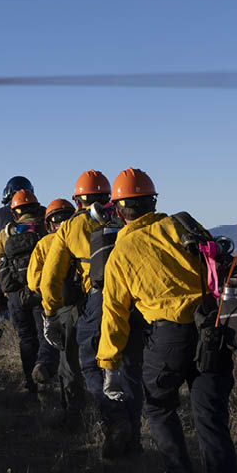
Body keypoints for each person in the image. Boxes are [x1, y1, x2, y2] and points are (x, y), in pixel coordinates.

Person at [97, 167, 237, 473]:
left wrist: (109, 367)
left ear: (118, 210)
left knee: (160, 409)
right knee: (211, 420)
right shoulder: (183, 226)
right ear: (153, 201)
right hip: (212, 329)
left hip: (168, 340)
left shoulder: (121, 252)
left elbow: (114, 314)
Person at [39, 171, 144, 458]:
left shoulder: (70, 227)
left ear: (78, 199)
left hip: (98, 301)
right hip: (135, 300)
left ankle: (114, 421)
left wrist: (50, 314)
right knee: (131, 368)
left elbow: (50, 279)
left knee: (91, 366)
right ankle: (134, 443)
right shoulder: (123, 216)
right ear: (109, 196)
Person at [0, 189, 59, 394]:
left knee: (26, 339)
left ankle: (31, 385)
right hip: (40, 292)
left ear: (14, 212)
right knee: (45, 335)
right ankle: (46, 376)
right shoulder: (44, 230)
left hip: (15, 295)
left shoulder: (6, 233)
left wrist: (4, 286)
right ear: (36, 208)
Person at [27, 198, 85, 420]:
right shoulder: (80, 237)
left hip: (59, 308)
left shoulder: (44, 244)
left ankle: (73, 412)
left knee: (67, 361)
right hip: (88, 304)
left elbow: (33, 282)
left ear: (49, 223)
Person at [0, 176, 34, 312]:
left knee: (21, 328)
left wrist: (1, 263)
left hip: (11, 280)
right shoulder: (42, 213)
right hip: (38, 280)